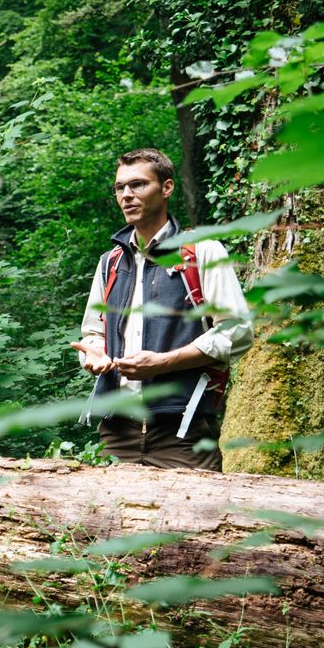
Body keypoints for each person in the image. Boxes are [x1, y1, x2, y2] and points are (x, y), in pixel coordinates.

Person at [71, 148, 252, 470]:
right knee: (111, 519)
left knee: (194, 519)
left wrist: (165, 363)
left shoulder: (203, 252)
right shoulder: (110, 262)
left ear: (166, 188)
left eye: (138, 185)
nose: (127, 195)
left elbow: (236, 331)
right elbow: (94, 331)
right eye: (120, 187)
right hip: (116, 429)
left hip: (184, 428)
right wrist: (94, 353)